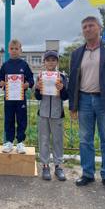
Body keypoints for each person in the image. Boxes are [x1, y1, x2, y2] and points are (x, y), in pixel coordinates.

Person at [68, 16, 105, 192]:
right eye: (84, 26)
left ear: (99, 28)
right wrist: (73, 106)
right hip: (84, 100)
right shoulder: (77, 53)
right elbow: (73, 81)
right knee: (85, 140)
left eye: (91, 26)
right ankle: (87, 174)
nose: (87, 29)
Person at [35, 50, 68, 181]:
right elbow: (37, 97)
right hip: (43, 113)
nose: (50, 62)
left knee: (57, 140)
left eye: (53, 60)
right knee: (43, 140)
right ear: (44, 62)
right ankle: (45, 166)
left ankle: (58, 166)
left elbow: (66, 97)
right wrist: (37, 88)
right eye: (48, 60)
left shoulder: (62, 77)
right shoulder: (40, 76)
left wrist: (62, 89)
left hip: (56, 113)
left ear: (57, 62)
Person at [0, 39, 34, 154]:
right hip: (9, 99)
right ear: (8, 50)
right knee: (8, 120)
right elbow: (0, 79)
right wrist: (1, 83)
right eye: (12, 49)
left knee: (21, 120)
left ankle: (20, 143)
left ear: (20, 50)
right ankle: (8, 142)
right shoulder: (5, 65)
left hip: (20, 99)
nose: (14, 51)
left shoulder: (24, 65)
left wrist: (27, 84)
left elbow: (31, 79)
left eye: (16, 49)